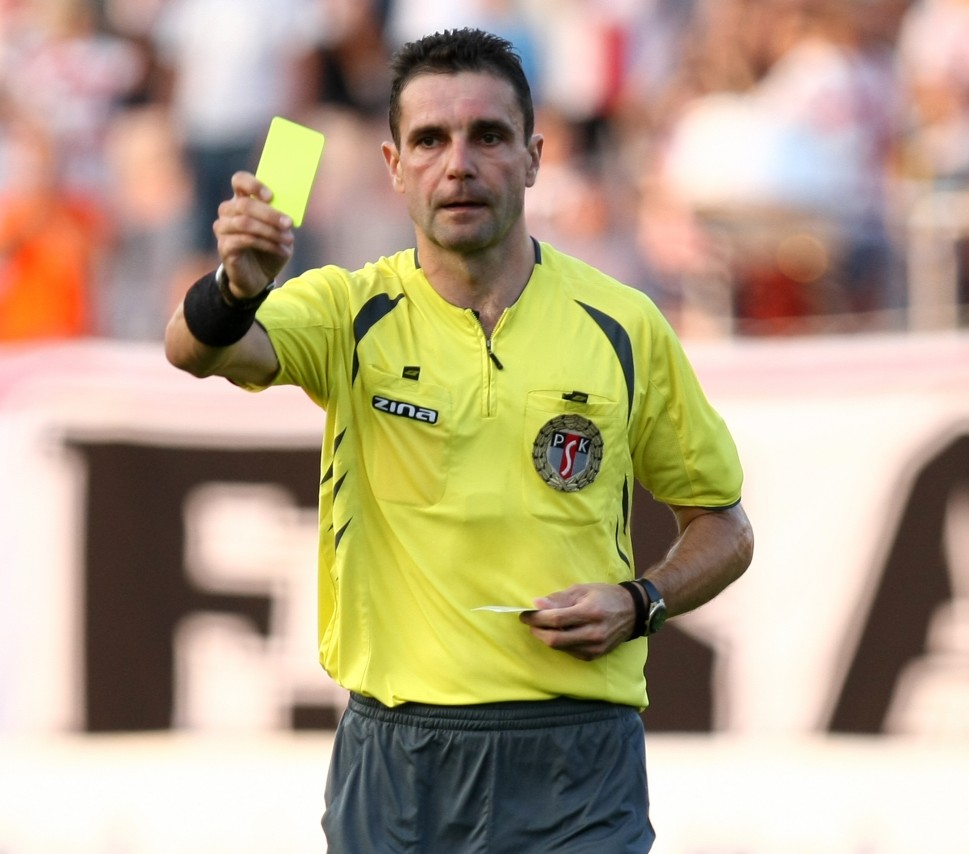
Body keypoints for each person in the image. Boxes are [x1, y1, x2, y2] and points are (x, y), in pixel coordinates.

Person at [163, 27, 753, 853]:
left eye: (489, 136)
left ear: (535, 157)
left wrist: (640, 602)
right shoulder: (348, 311)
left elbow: (724, 525)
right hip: (397, 762)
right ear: (394, 165)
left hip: (576, 761)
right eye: (431, 139)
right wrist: (236, 286)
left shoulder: (623, 325)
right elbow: (194, 350)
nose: (459, 164)